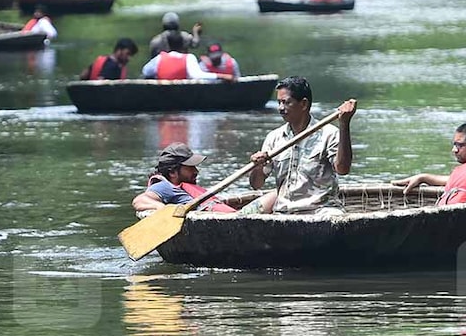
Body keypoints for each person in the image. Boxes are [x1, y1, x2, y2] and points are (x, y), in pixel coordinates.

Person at [245, 76, 358, 215]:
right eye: (279, 102)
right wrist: (257, 166)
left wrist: (344, 124)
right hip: (284, 212)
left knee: (337, 218)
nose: (281, 108)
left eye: (286, 102)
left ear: (304, 104)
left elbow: (342, 169)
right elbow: (256, 184)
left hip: (321, 210)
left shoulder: (329, 134)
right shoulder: (274, 138)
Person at [131, 142, 235, 215]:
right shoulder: (165, 187)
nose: (196, 171)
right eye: (190, 167)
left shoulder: (184, 187)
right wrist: (164, 209)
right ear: (172, 172)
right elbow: (139, 201)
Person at [141, 32, 232, 81]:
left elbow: (145, 71)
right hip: (183, 93)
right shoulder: (189, 57)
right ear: (182, 45)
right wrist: (222, 76)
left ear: (168, 46)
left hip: (163, 93)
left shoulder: (159, 58)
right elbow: (197, 75)